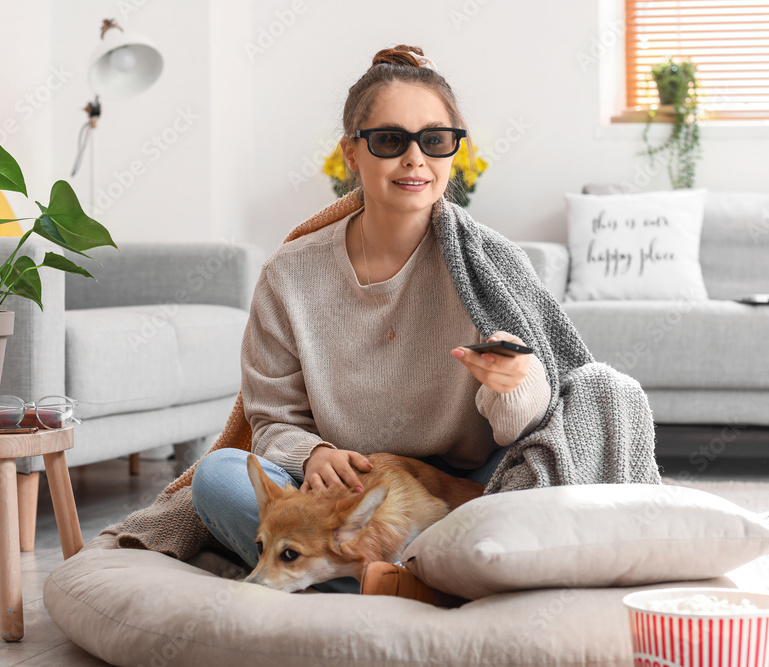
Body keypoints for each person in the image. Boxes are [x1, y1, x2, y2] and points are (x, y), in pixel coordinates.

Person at [189, 45, 554, 595]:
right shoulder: (290, 274)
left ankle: (373, 580)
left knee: (536, 485)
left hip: (462, 484)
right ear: (352, 154)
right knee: (216, 479)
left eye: (434, 140)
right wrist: (313, 453)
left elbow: (534, 421)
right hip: (340, 492)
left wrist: (513, 386)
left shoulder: (494, 268)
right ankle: (414, 583)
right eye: (389, 141)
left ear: (454, 150)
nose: (415, 160)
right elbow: (269, 421)